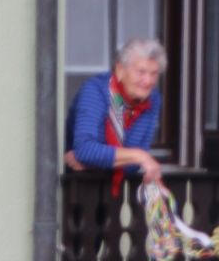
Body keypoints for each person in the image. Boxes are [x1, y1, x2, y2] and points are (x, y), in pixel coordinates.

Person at [65, 37, 167, 192]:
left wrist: (93, 162)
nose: (148, 81)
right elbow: (85, 148)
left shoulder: (153, 99)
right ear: (120, 70)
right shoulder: (96, 91)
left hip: (117, 192)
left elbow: (133, 166)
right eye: (141, 72)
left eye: (154, 74)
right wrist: (139, 156)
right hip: (77, 189)